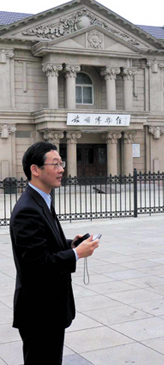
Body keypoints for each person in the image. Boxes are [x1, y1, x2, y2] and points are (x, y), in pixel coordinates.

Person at [10, 142, 100, 365]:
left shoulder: (42, 199)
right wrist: (77, 254)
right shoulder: (28, 209)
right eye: (56, 164)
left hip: (49, 309)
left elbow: (43, 243)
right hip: (39, 312)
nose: (62, 169)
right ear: (35, 169)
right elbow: (37, 264)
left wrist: (70, 244)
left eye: (62, 163)